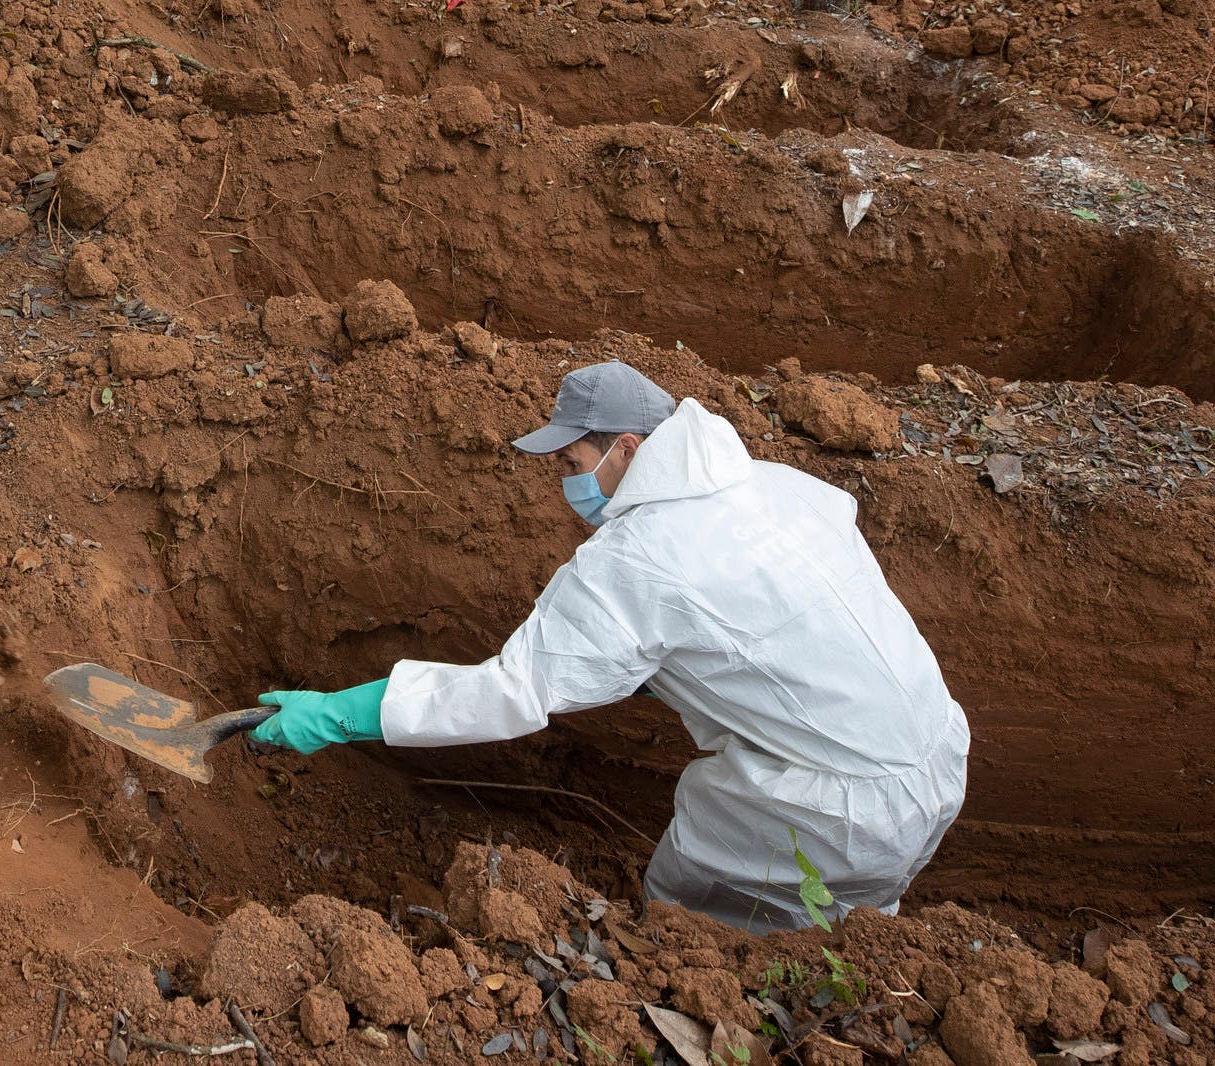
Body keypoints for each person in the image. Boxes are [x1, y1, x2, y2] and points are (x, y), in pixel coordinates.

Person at [251, 360, 968, 933]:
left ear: (628, 447)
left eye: (571, 462)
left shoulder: (638, 557)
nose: (566, 482)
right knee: (850, 936)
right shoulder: (785, 488)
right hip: (937, 759)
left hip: (831, 811)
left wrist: (341, 713)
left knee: (689, 926)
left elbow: (515, 690)